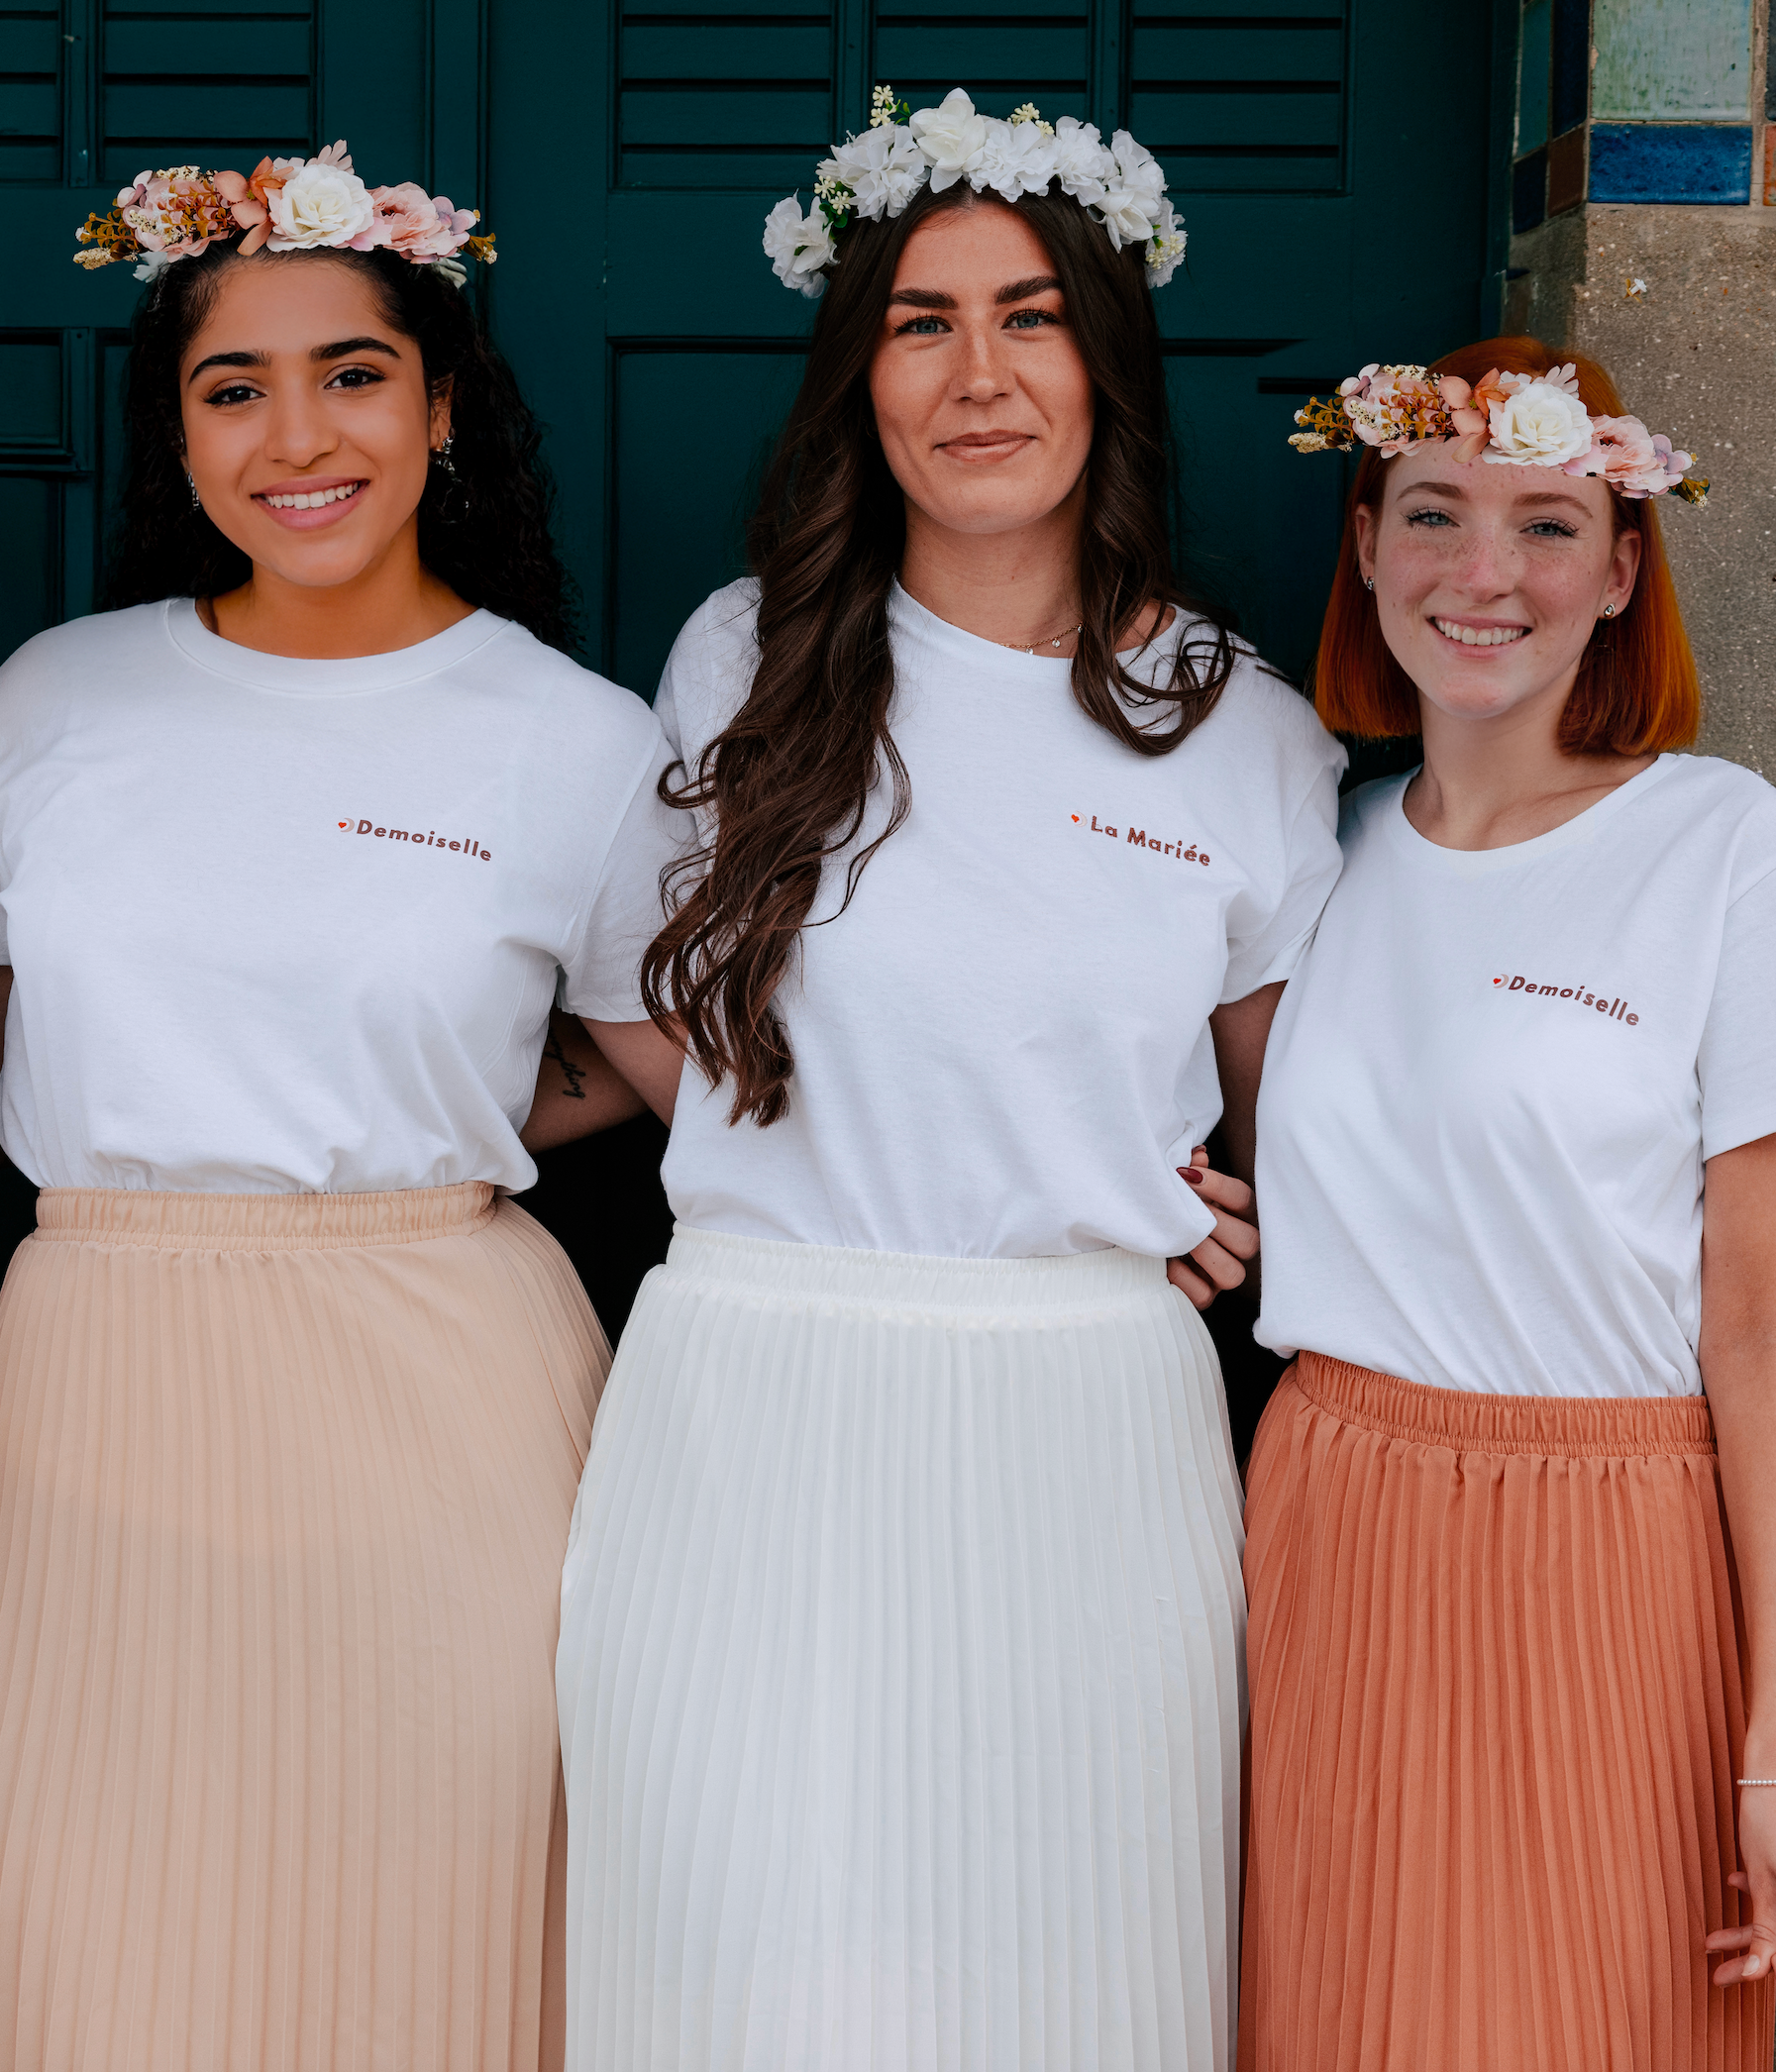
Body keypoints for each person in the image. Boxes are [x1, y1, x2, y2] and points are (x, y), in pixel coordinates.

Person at [554, 90, 1342, 2072]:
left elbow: (1304, 1105)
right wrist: (808, 1136)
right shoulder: (746, 658)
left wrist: (1176, 1205)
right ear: (860, 375)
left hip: (1089, 1421)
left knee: (1072, 1965)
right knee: (741, 1962)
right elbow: (630, 994)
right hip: (754, 1394)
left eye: (1030, 317)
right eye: (922, 322)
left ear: (1108, 362)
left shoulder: (1239, 723)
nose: (977, 374)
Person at [0, 145, 688, 2072]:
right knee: (93, 1960)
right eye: (231, 385)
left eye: (354, 372)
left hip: (446, 1397)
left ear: (443, 409)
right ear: (175, 434)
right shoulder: (53, 699)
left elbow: (669, 1061)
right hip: (95, 1388)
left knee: (441, 1960)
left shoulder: (579, 737)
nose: (298, 435)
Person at [1241, 339, 1776, 2070]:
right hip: (1327, 1519)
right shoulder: (1318, 851)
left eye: (1547, 526)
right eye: (1433, 514)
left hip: (1611, 1545)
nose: (1482, 575)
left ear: (1619, 574)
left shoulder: (1724, 849)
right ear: (1367, 545)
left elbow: (1763, 1327)